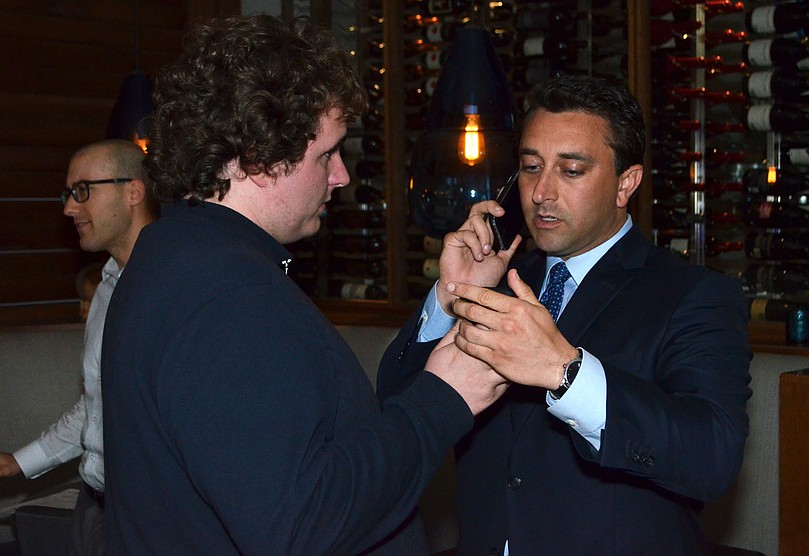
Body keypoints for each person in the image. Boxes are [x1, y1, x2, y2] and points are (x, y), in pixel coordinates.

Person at [100, 15, 511, 555]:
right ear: (258, 159)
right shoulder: (223, 293)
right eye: (327, 154)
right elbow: (299, 523)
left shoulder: (181, 257)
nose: (341, 175)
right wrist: (444, 399)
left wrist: (446, 303)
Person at [377, 75, 753, 554]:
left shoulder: (692, 294)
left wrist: (566, 372)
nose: (541, 193)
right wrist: (450, 295)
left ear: (626, 184)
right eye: (531, 167)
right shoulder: (500, 280)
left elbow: (712, 458)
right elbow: (393, 402)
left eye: (571, 171)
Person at [0, 138, 158, 555]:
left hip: (151, 518)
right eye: (68, 194)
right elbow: (97, 405)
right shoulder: (104, 289)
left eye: (82, 191)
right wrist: (19, 462)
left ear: (133, 192)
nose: (69, 207)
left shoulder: (174, 290)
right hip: (93, 504)